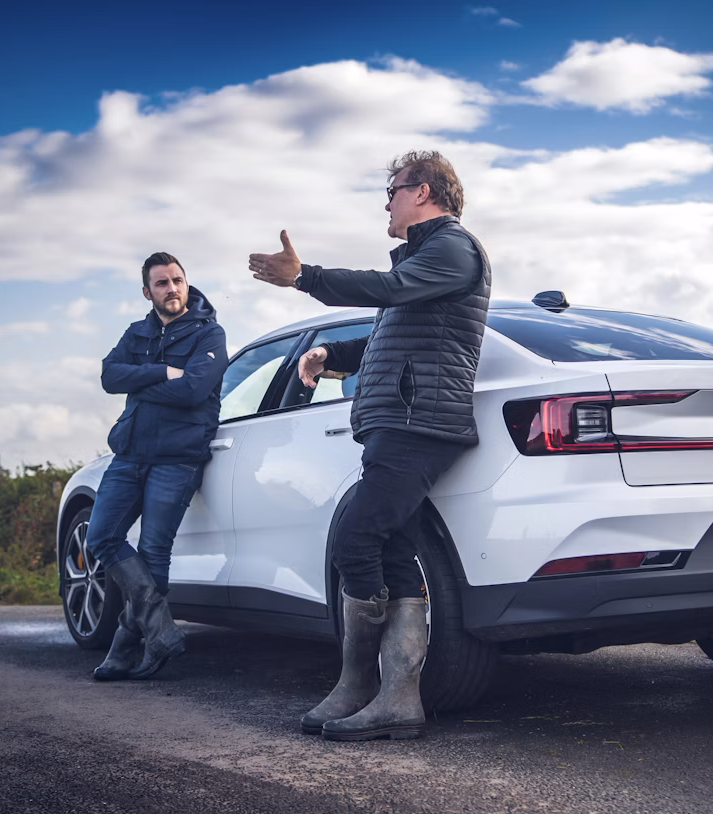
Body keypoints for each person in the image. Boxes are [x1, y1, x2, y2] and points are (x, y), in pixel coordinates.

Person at [248, 150, 491, 740]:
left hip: (418, 423)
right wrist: (332, 355)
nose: (386, 202)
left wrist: (305, 277)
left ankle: (362, 682)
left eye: (393, 190)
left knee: (356, 535)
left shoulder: (453, 248)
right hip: (399, 419)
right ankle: (395, 697)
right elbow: (397, 334)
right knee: (391, 549)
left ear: (425, 191)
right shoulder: (423, 261)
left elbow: (393, 289)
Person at [87, 252, 227, 681]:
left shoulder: (210, 334)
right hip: (129, 453)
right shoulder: (137, 332)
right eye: (162, 283)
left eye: (178, 280)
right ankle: (161, 633)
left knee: (152, 553)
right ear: (147, 292)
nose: (173, 289)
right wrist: (162, 371)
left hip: (178, 458)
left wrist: (142, 383)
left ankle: (126, 648)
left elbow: (193, 391)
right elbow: (110, 377)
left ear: (187, 283)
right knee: (100, 538)